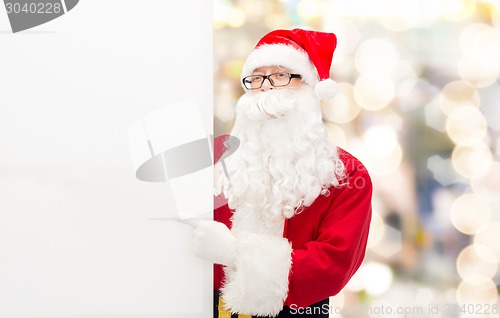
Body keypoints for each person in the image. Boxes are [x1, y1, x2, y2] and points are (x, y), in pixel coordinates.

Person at [188, 28, 372, 318]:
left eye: (282, 75)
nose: (267, 88)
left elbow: (332, 267)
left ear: (309, 88)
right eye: (257, 78)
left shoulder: (346, 174)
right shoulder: (213, 160)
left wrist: (234, 253)